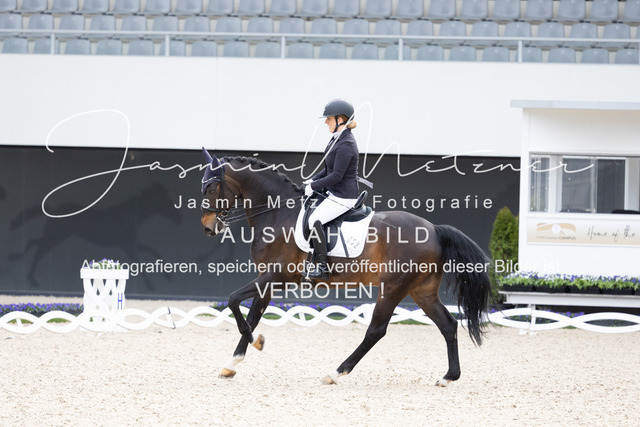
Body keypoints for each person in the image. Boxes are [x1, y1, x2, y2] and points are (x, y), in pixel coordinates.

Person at [304, 99, 360, 280]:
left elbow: (336, 176)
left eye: (329, 119)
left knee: (315, 220)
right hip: (334, 192)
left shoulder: (346, 144)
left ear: (340, 120)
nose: (326, 122)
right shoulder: (336, 139)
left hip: (344, 196)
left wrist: (314, 186)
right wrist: (312, 180)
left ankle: (322, 267)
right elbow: (328, 169)